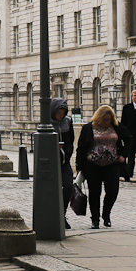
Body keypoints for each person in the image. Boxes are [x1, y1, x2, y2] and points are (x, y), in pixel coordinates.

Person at [75, 104, 131, 229]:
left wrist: (123, 155)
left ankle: (106, 215)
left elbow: (129, 139)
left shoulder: (116, 127)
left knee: (112, 190)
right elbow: (81, 147)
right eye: (105, 119)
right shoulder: (88, 128)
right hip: (92, 165)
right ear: (99, 117)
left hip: (112, 164)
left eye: (109, 119)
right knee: (95, 192)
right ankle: (95, 219)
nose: (107, 122)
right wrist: (79, 166)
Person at [50, 98, 75, 229]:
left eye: (63, 112)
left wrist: (68, 153)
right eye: (58, 112)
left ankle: (62, 214)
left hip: (65, 162)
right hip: (51, 163)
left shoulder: (68, 122)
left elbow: (71, 140)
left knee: (68, 187)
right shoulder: (47, 123)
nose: (60, 115)